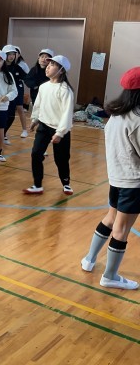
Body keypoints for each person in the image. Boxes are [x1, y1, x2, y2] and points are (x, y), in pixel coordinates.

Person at [80, 67, 140, 290]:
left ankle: (89, 259)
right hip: (133, 182)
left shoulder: (116, 114)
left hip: (116, 178)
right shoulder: (137, 119)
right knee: (121, 229)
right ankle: (110, 276)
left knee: (111, 218)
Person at [23, 55, 74, 195]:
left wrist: (60, 133)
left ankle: (66, 183)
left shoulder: (65, 90)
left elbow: (67, 114)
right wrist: (35, 120)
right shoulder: (43, 87)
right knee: (36, 154)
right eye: (48, 65)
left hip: (60, 129)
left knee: (61, 159)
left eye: (52, 65)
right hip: (44, 127)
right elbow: (38, 105)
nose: (48, 67)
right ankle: (37, 184)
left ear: (61, 70)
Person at [1, 44, 28, 141]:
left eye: (13, 54)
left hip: (12, 95)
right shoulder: (0, 66)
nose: (11, 56)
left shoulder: (17, 67)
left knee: (11, 116)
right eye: (9, 54)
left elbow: (27, 78)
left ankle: (3, 134)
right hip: (1, 95)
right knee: (1, 116)